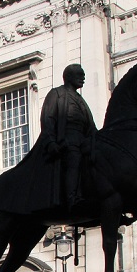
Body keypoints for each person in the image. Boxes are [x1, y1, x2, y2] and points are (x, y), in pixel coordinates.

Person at [39, 63, 97, 208]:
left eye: (83, 75)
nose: (83, 78)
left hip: (83, 139)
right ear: (69, 77)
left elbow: (90, 125)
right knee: (74, 157)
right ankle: (72, 197)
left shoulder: (80, 100)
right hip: (66, 140)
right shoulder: (57, 94)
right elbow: (48, 119)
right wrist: (51, 142)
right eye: (80, 75)